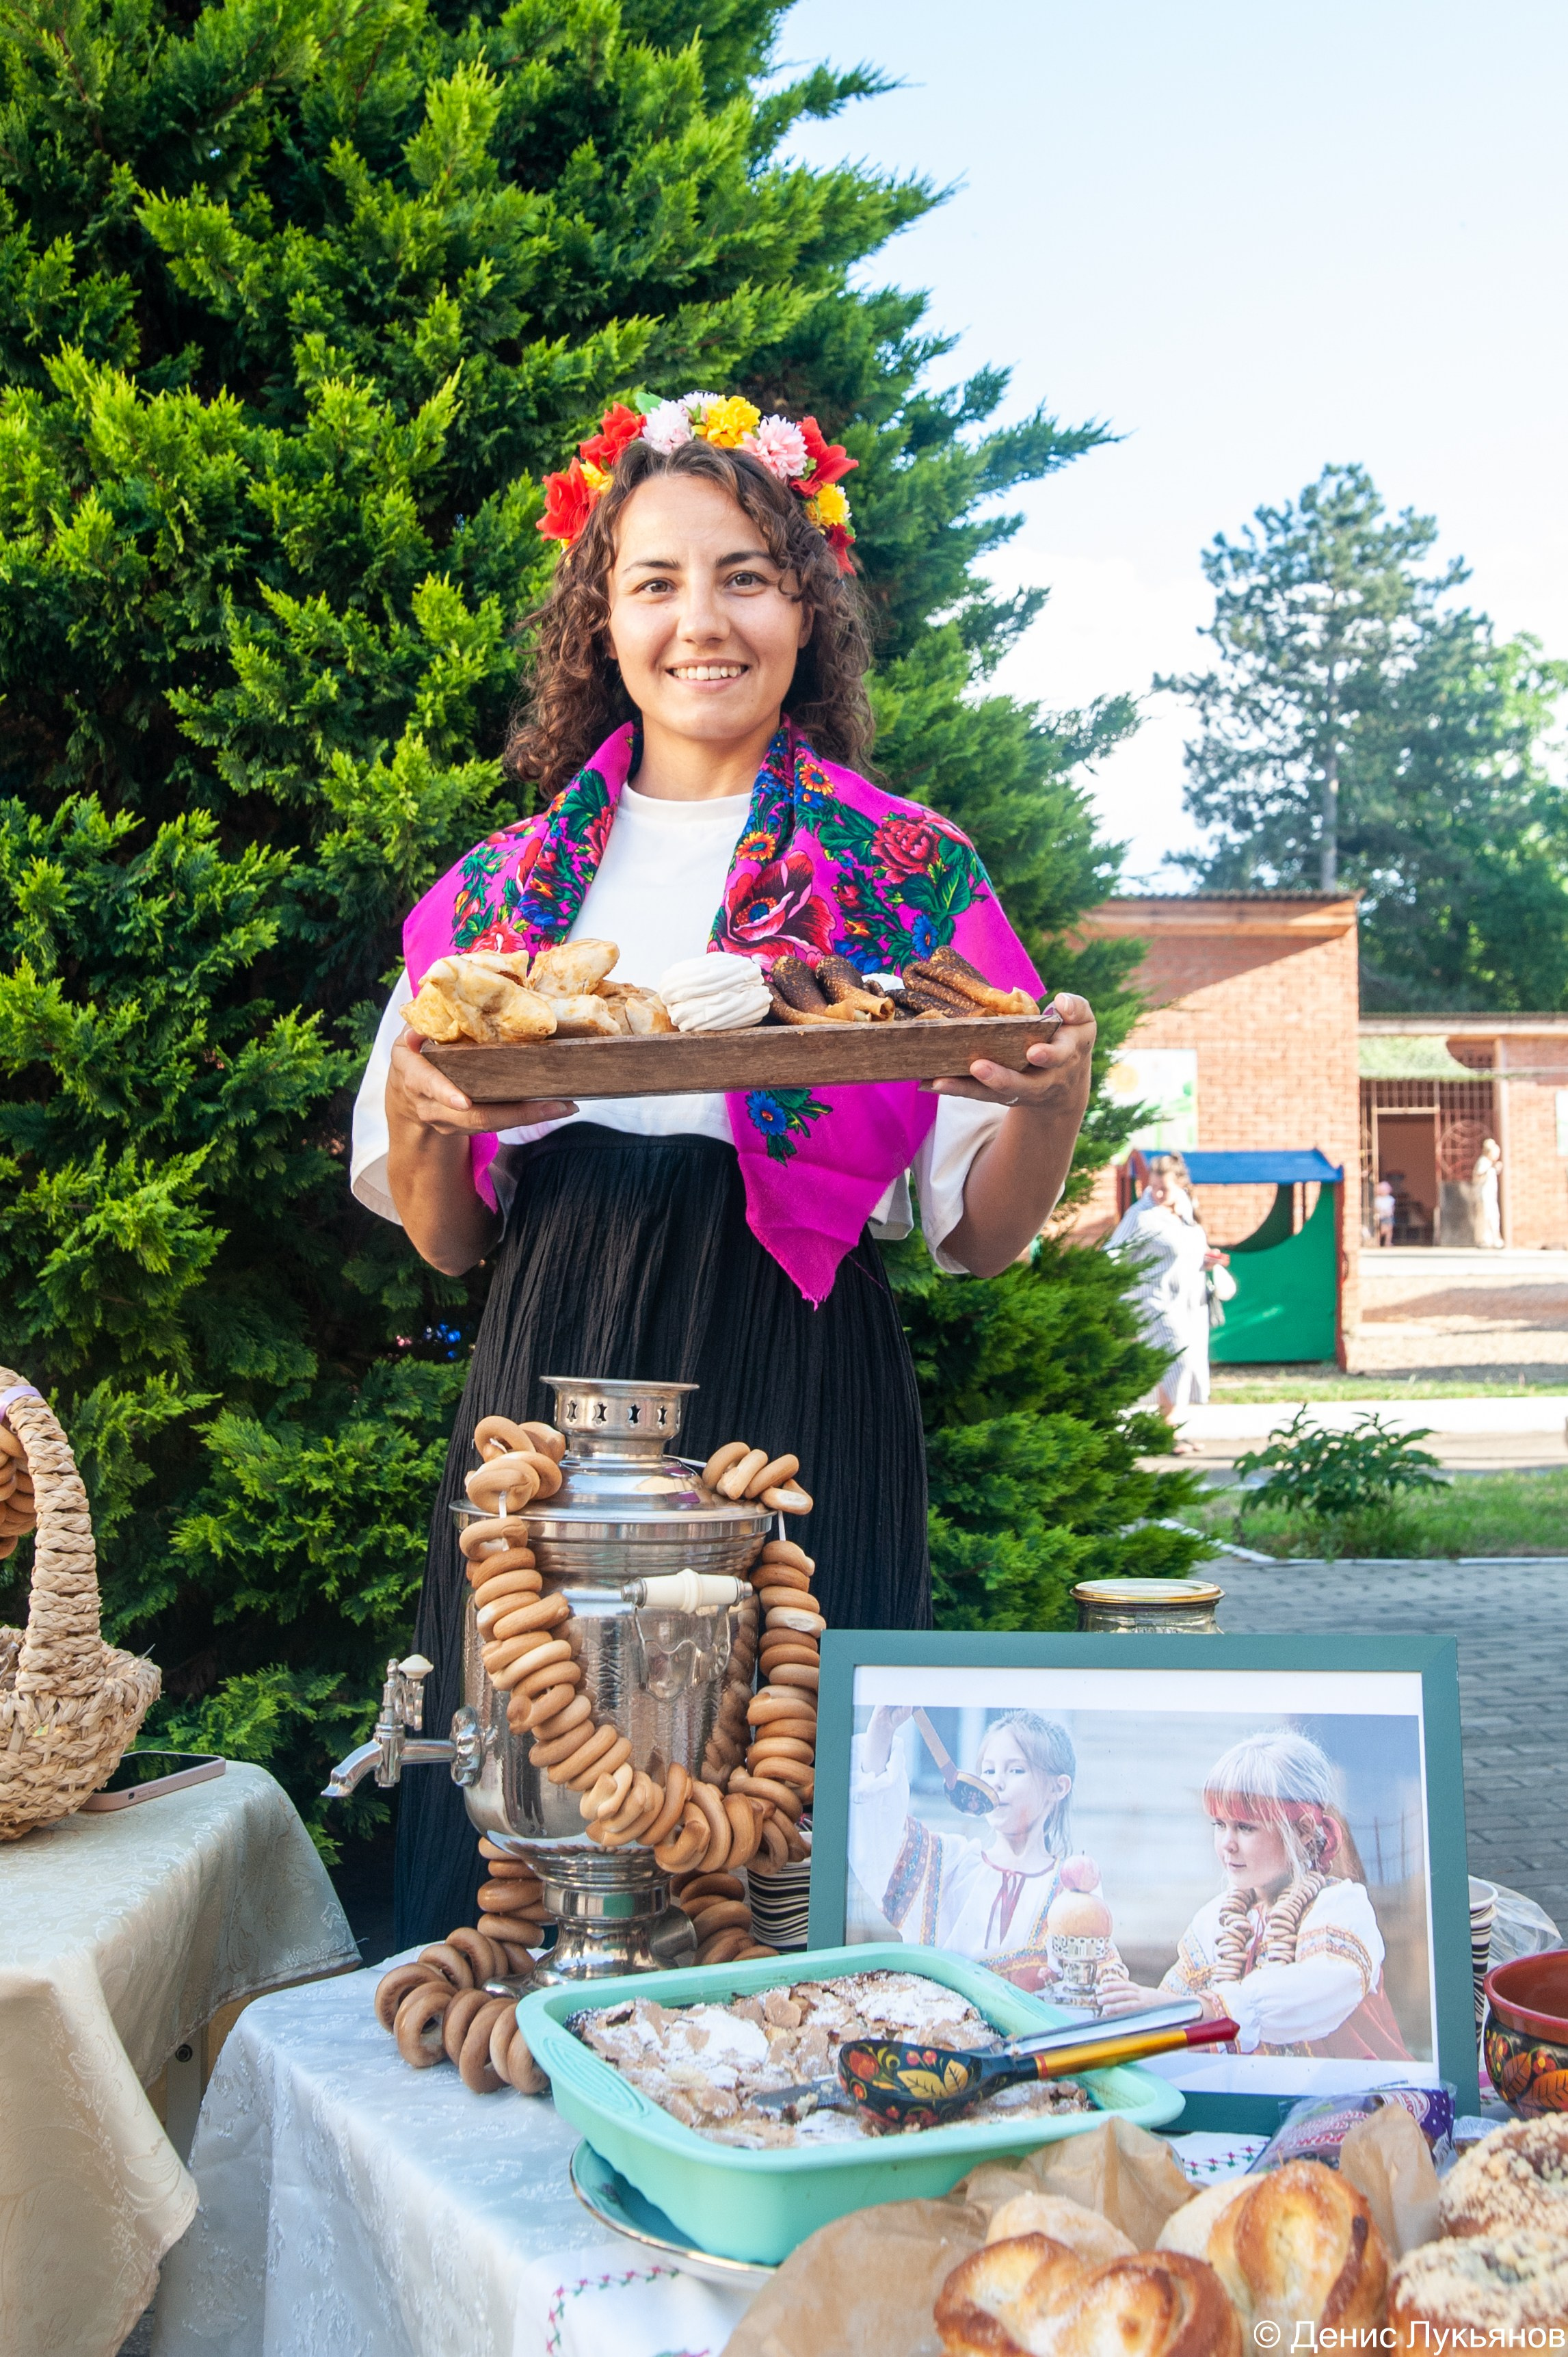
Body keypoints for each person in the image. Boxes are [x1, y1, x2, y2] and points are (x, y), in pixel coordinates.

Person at [349, 393, 1098, 1943]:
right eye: (657, 580)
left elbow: (979, 1236)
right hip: (549, 1364)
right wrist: (429, 1118)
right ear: (602, 615)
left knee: (777, 1826)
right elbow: (441, 1241)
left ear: (803, 608)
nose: (704, 619)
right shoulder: (496, 895)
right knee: (537, 1811)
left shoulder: (905, 873)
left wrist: (1048, 1100)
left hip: (795, 1367)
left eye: (746, 574)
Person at [1119, 1728, 1411, 2060]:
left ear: (1302, 1831)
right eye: (1219, 1825)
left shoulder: (1340, 1907)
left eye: (1245, 1827)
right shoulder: (1215, 1921)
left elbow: (1319, 1987)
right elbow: (1169, 2006)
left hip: (1355, 2098)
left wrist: (1208, 2008)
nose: (1227, 1843)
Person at [847, 1705, 1130, 1995]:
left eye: (1016, 1770)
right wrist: (882, 1727)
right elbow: (878, 1836)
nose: (997, 1781)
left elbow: (1097, 1984)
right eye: (989, 1770)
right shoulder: (950, 1865)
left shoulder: (1069, 1888)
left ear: (1058, 1788)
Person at [1107, 1153, 1227, 1432]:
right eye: (1153, 1187)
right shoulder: (1140, 1216)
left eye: (1165, 1188)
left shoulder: (1186, 1211)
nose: (1157, 1193)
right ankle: (1168, 1430)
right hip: (1152, 1301)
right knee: (1178, 1357)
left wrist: (1206, 1260)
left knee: (1183, 1361)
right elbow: (1112, 1253)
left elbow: (1190, 1250)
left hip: (1187, 1302)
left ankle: (1166, 1428)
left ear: (1182, 1186)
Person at [1474, 1137, 1503, 1248]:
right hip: (1484, 1196)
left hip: (1491, 1196)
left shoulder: (1490, 1163)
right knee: (1486, 1217)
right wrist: (1490, 1167)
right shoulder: (1483, 1162)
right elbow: (1478, 1175)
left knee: (1494, 1216)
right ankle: (1484, 1240)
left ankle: (1494, 1239)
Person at [1373, 1176, 1396, 1247]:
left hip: (1389, 1216)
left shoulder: (1390, 1199)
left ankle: (1388, 1242)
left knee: (1390, 1229)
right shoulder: (1378, 1199)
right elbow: (1376, 1208)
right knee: (1382, 1230)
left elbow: (1392, 1207)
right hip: (1382, 1216)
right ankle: (1377, 1241)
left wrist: (1392, 1213)